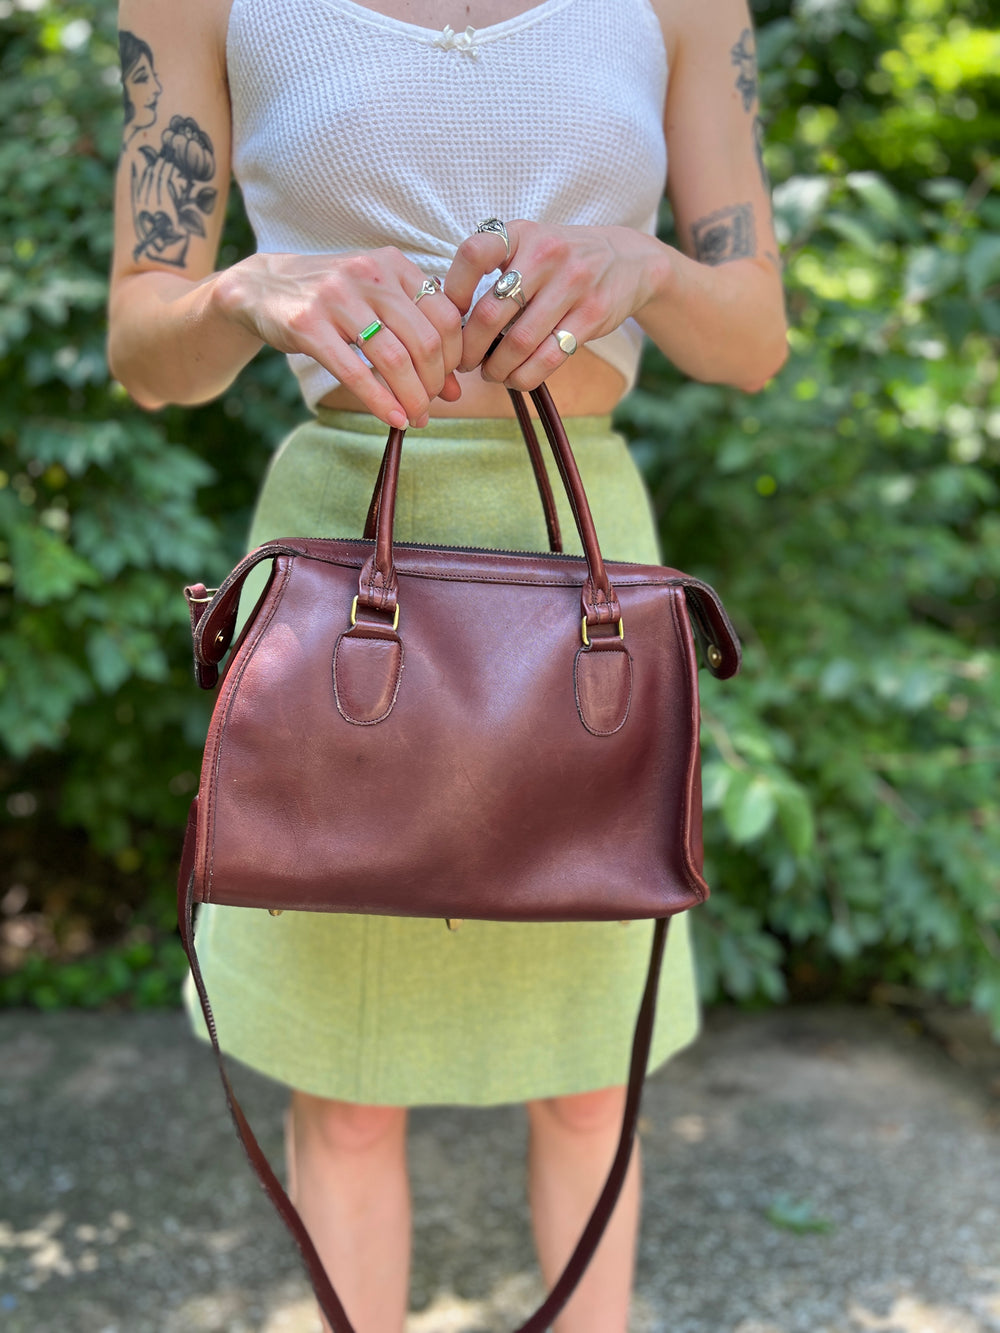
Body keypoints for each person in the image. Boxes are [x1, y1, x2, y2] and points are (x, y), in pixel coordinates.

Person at [107, 1, 787, 1329]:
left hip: (576, 538)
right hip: (342, 550)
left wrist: (639, 266)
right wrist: (251, 290)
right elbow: (148, 354)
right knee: (344, 1093)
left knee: (594, 1078)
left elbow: (752, 340)